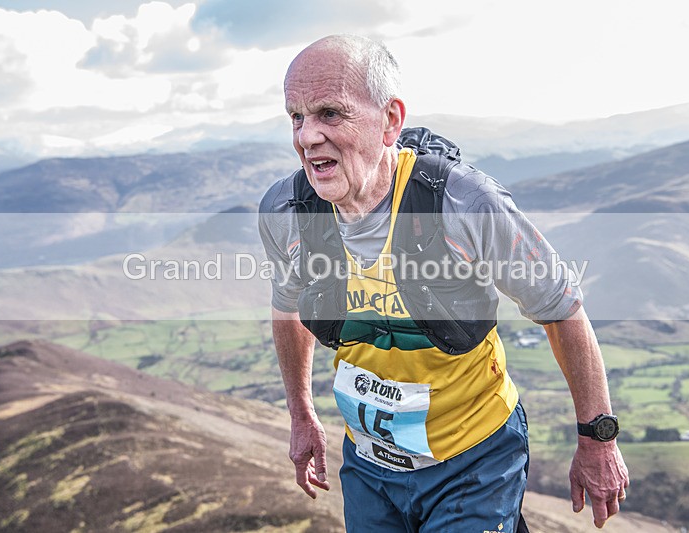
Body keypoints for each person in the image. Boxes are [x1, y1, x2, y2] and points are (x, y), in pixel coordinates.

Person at [258, 34, 629, 532]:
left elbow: (561, 308)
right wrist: (301, 414)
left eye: (330, 113)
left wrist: (597, 438)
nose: (306, 137)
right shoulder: (287, 212)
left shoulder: (464, 203)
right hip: (370, 467)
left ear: (391, 121)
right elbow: (288, 308)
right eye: (296, 117)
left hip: (473, 460)